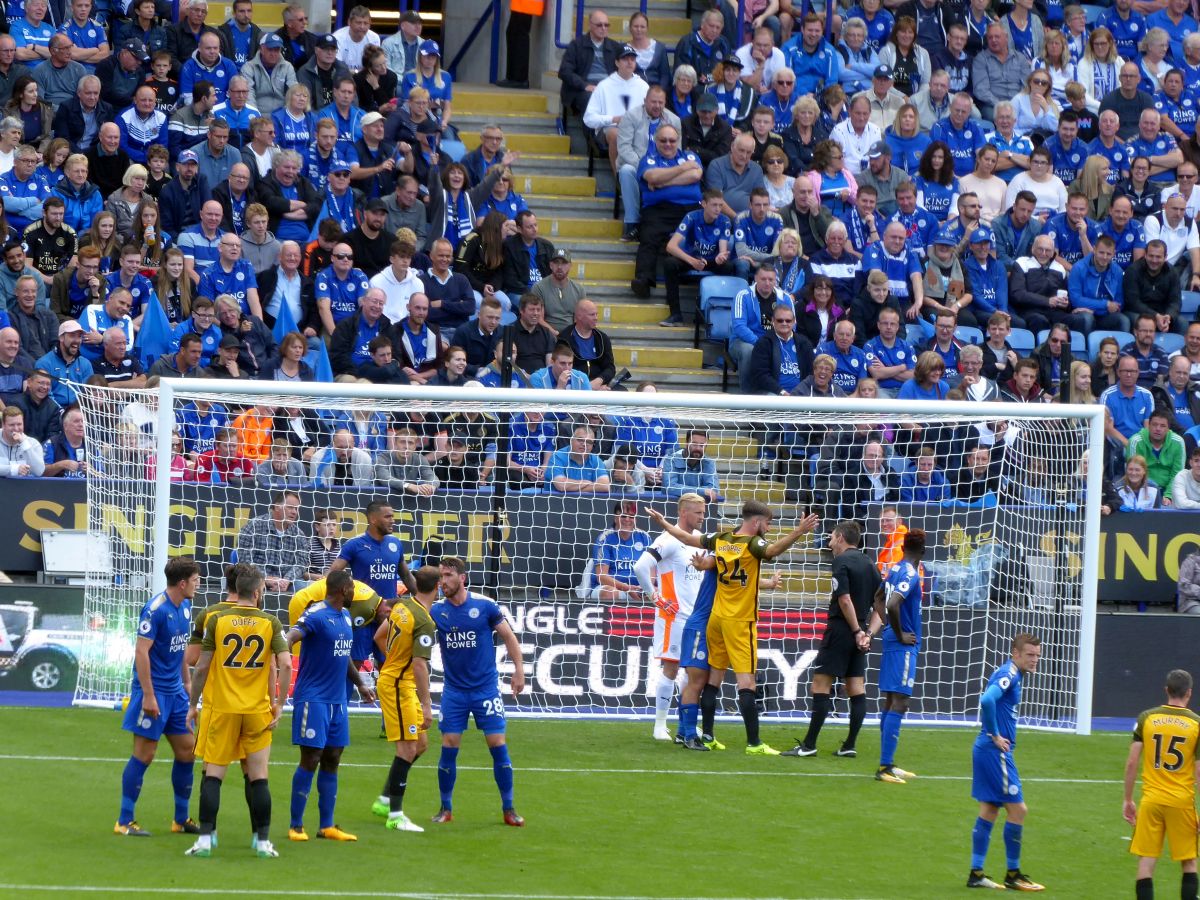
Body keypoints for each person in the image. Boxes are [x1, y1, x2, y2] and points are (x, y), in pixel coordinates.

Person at [649, 500, 818, 755]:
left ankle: (704, 735)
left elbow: (691, 541)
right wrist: (798, 531)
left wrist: (663, 524)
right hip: (736, 621)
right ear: (757, 522)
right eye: (768, 524)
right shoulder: (752, 544)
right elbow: (770, 551)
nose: (769, 529)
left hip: (716, 619)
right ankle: (752, 743)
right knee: (743, 682)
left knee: (711, 680)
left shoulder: (722, 541)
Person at [185, 566, 291, 859]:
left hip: (222, 709)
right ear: (257, 592)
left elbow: (201, 666)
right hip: (256, 710)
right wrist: (279, 702)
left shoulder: (217, 620)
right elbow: (285, 664)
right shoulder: (271, 622)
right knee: (258, 776)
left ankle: (206, 840)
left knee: (213, 774)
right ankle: (263, 842)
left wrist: (193, 705)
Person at [429, 556, 526, 826]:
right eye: (440, 576)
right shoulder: (437, 611)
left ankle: (509, 809)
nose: (443, 581)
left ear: (462, 578)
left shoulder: (485, 606)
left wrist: (519, 670)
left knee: (497, 745)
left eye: (448, 575)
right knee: (449, 745)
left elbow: (509, 637)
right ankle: (445, 808)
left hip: (485, 690)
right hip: (454, 692)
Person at [284, 568, 374, 843]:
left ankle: (327, 826)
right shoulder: (316, 615)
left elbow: (343, 654)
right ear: (342, 590)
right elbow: (290, 637)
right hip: (313, 699)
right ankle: (296, 825)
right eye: (352, 589)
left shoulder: (345, 616)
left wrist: (360, 683)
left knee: (333, 757)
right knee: (311, 758)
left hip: (337, 700)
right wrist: (283, 661)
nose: (355, 594)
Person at [114, 557, 201, 838]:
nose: (199, 586)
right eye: (196, 581)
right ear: (183, 583)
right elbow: (141, 653)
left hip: (174, 691)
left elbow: (178, 650)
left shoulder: (186, 607)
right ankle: (124, 821)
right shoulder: (155, 610)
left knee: (188, 750)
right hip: (152, 692)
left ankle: (180, 818)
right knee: (145, 754)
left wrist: (186, 683)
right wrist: (149, 696)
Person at [781, 519, 880, 758]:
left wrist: (856, 630)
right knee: (856, 687)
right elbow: (881, 606)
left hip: (841, 631)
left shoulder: (841, 562)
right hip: (860, 633)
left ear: (841, 538)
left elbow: (844, 600)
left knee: (821, 685)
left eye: (832, 537)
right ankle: (849, 746)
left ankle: (809, 745)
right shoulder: (871, 564)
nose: (829, 541)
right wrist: (868, 634)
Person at [966, 632, 1046, 892]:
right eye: (1030, 655)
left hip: (986, 750)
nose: (1035, 660)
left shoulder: (1014, 673)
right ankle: (1013, 874)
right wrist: (995, 734)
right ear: (1016, 653)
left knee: (989, 810)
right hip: (994, 751)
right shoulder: (1009, 673)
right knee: (1018, 810)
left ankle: (976, 873)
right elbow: (987, 700)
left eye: (1037, 655)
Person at [367, 562, 437, 833]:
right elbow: (420, 665)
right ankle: (396, 816)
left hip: (396, 681)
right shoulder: (424, 620)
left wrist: (393, 660)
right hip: (399, 687)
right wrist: (427, 705)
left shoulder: (402, 606)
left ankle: (386, 799)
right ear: (438, 588)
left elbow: (379, 635)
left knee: (420, 745)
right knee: (407, 749)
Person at [1123, 668, 1200, 900]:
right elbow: (1199, 771)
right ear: (1189, 693)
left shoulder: (1147, 718)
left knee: (1146, 862)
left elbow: (1132, 762)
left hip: (1151, 800)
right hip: (1182, 802)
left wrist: (1127, 799)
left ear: (1166, 690)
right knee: (1189, 861)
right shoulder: (1197, 723)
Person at [865, 527, 925, 784]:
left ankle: (886, 763)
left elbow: (877, 598)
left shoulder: (894, 569)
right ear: (922, 551)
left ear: (903, 548)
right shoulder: (911, 573)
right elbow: (890, 603)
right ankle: (884, 768)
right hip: (903, 644)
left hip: (892, 639)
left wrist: (889, 625)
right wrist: (900, 632)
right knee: (901, 701)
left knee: (891, 701)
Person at [234, 490, 307, 592]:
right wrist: (265, 578)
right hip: (254, 580)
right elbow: (245, 560)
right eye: (290, 507)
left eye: (296, 508)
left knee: (305, 587)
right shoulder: (253, 526)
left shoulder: (299, 535)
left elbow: (302, 564)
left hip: (286, 583)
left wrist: (286, 580)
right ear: (277, 507)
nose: (294, 512)